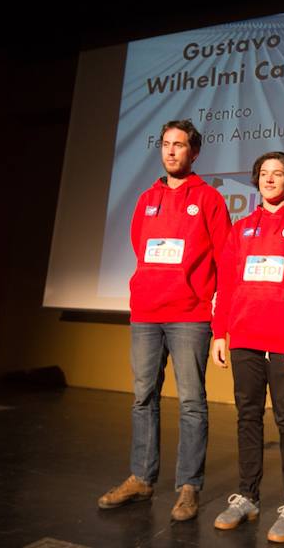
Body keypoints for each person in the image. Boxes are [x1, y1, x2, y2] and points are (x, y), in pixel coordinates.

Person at [97, 120, 231, 521]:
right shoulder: (146, 198)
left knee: (191, 402)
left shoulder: (208, 198)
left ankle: (189, 487)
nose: (171, 151)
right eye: (166, 144)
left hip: (189, 315)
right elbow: (141, 245)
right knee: (143, 397)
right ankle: (141, 477)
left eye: (180, 145)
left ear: (194, 153)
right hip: (146, 314)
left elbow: (225, 255)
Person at [210, 152, 284, 543]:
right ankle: (247, 497)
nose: (270, 179)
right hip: (244, 337)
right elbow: (226, 285)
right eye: (264, 173)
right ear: (256, 180)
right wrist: (219, 332)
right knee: (247, 417)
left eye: (278, 174)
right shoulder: (241, 228)